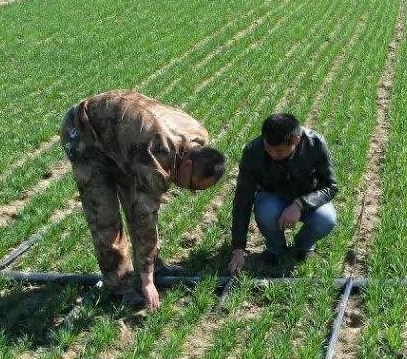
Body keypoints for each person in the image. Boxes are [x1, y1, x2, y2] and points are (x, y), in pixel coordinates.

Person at [61, 90, 225, 308]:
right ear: (187, 165)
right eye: (192, 186)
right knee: (105, 216)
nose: (191, 191)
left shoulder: (198, 136)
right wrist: (147, 282)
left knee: (133, 196)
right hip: (84, 131)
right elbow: (145, 217)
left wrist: (148, 266)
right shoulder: (157, 157)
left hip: (124, 137)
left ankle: (152, 265)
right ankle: (120, 284)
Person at [228, 113, 338, 273]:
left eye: (279, 151)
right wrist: (238, 248)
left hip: (308, 198)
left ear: (296, 141)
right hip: (274, 198)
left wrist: (300, 205)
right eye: (268, 148)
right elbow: (242, 199)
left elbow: (330, 186)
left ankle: (304, 246)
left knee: (326, 218)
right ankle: (275, 247)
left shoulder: (315, 143)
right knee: (265, 210)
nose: (272, 154)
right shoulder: (253, 151)